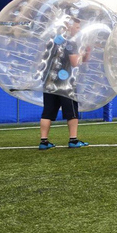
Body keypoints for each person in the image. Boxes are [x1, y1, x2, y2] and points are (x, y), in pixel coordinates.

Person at [39, 17, 89, 150]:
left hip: (49, 81)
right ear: (69, 26)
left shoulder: (53, 40)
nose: (78, 30)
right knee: (71, 111)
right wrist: (84, 53)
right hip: (65, 84)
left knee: (48, 111)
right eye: (77, 27)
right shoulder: (71, 43)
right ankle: (73, 140)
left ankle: (43, 142)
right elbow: (75, 62)